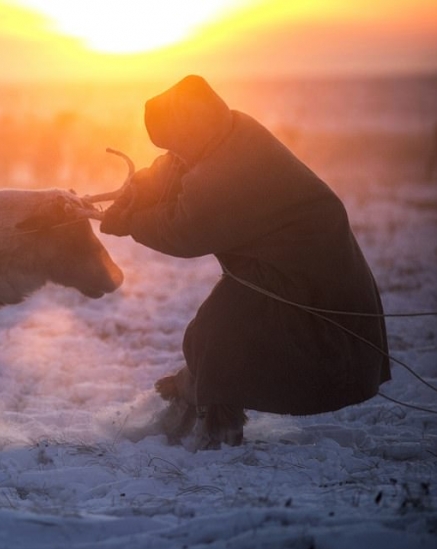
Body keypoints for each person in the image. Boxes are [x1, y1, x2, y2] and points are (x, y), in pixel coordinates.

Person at [100, 75, 390, 451]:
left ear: (191, 130)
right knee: (212, 332)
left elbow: (184, 229)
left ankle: (218, 431)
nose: (176, 152)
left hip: (305, 272)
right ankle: (191, 415)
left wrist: (130, 222)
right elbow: (173, 168)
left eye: (177, 142)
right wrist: (139, 189)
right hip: (268, 265)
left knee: (220, 333)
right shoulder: (225, 131)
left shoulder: (228, 169)